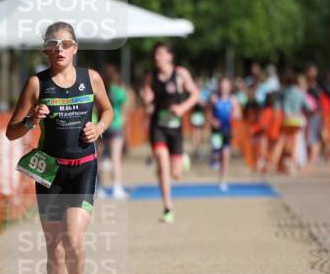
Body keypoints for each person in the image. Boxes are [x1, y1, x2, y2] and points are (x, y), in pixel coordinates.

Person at [6, 22, 113, 274]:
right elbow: (11, 131)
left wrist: (99, 127)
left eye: (65, 44)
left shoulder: (91, 78)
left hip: (83, 169)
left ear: (75, 48)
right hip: (50, 172)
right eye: (53, 45)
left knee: (73, 239)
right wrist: (31, 121)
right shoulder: (36, 84)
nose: (59, 50)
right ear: (45, 50)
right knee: (54, 246)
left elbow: (108, 110)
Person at [141, 42, 200, 224]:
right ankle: (168, 207)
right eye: (155, 54)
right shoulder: (151, 76)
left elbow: (195, 94)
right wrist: (146, 99)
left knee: (176, 174)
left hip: (175, 127)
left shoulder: (180, 74)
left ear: (170, 56)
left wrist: (182, 108)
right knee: (162, 160)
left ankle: (182, 160)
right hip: (158, 125)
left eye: (160, 53)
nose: (156, 57)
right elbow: (147, 99)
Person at [207, 77, 241, 192]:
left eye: (226, 86)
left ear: (230, 88)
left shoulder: (233, 100)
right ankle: (214, 158)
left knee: (226, 155)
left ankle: (223, 180)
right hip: (216, 131)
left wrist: (234, 114)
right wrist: (213, 121)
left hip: (227, 130)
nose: (224, 88)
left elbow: (238, 114)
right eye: (222, 86)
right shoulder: (214, 99)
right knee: (217, 152)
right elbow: (208, 115)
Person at [101, 64, 129, 199]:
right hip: (116, 124)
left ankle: (99, 188)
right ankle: (117, 187)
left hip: (101, 124)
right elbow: (124, 109)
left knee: (98, 158)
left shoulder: (100, 91)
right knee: (116, 158)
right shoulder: (119, 91)